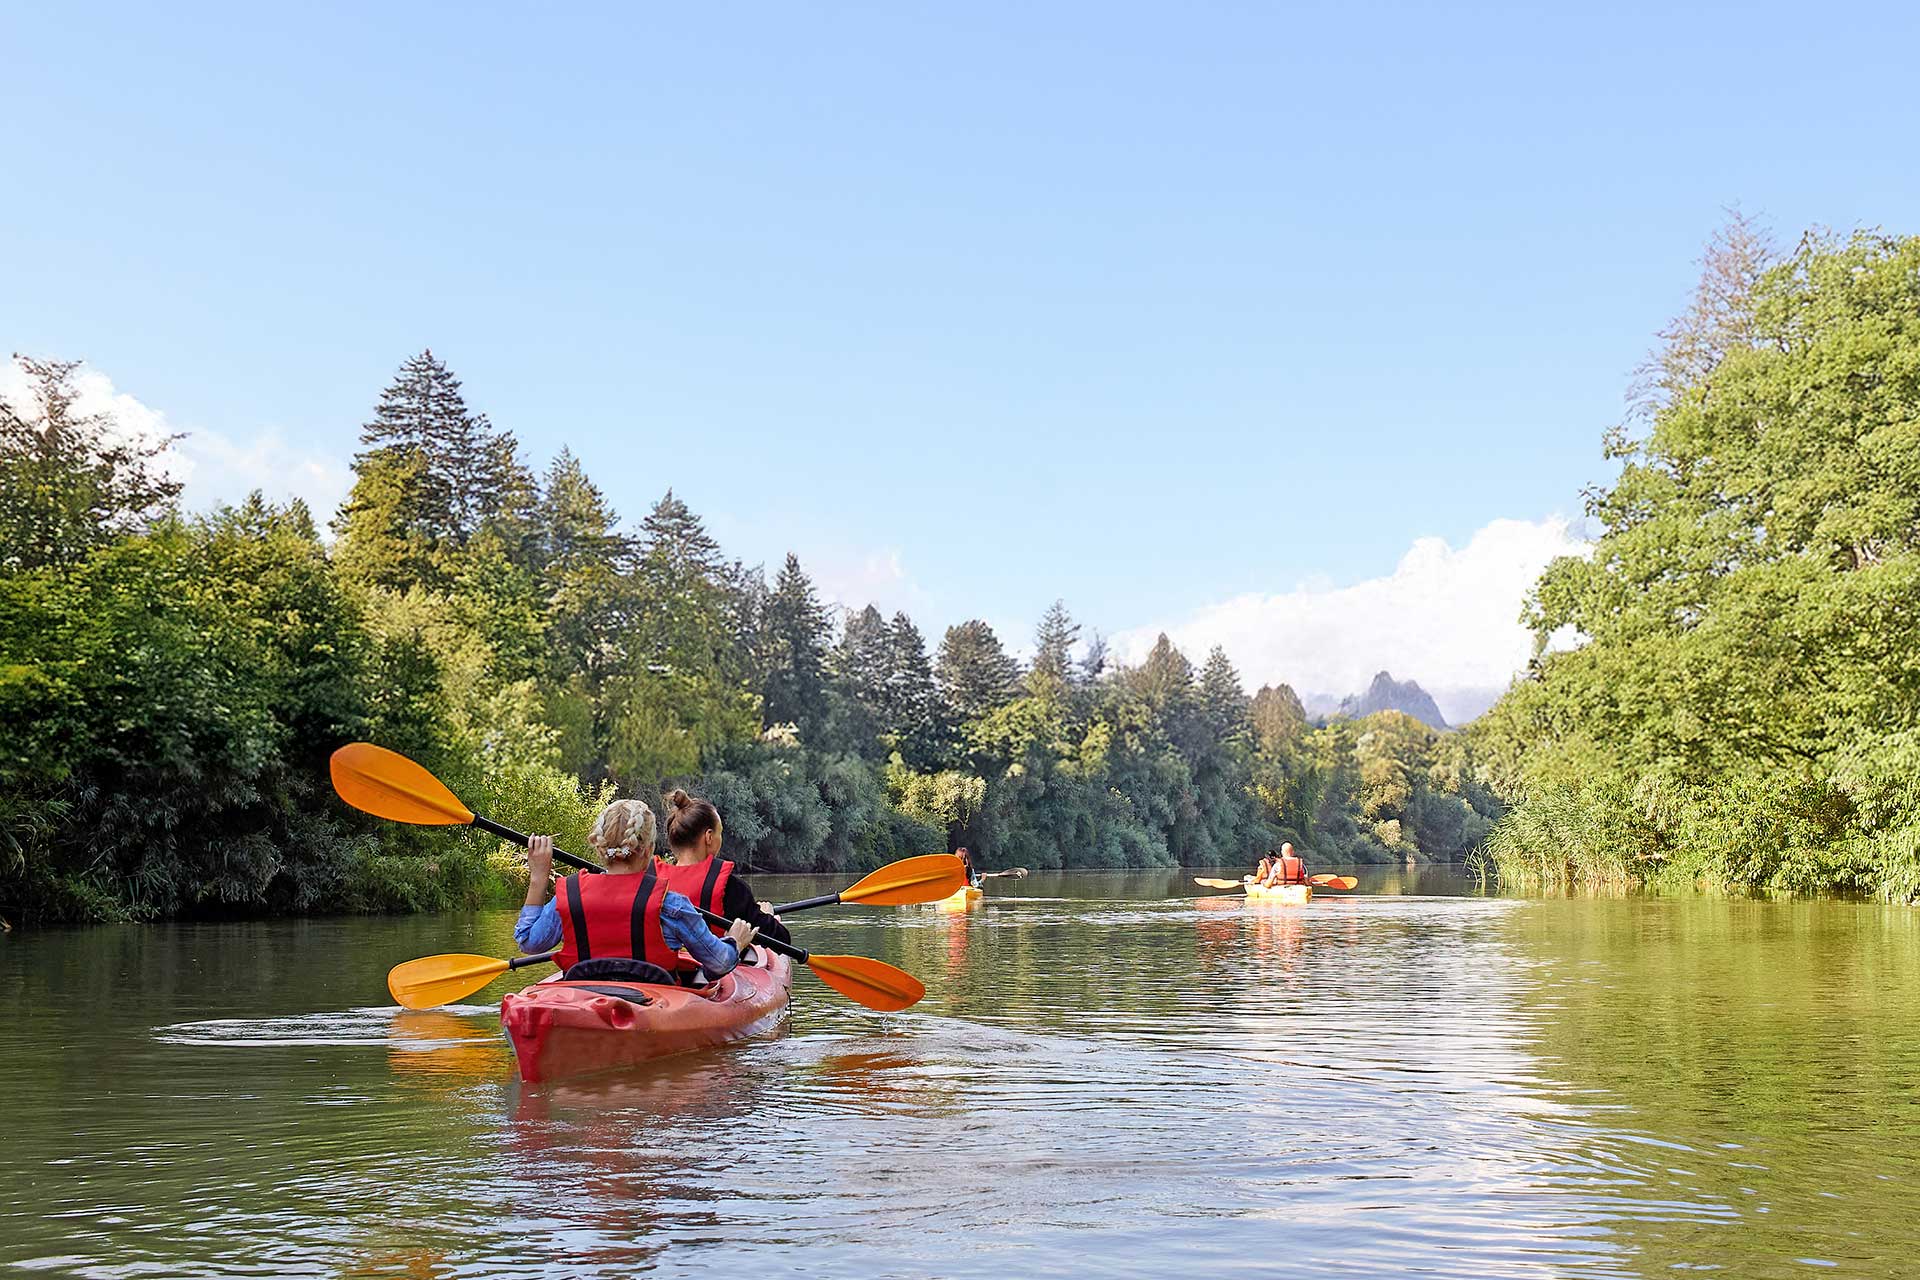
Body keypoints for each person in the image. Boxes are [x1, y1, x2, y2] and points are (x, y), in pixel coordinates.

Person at [514, 797, 756, 982]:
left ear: (599, 849)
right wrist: (735, 940)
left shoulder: (569, 897)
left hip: (582, 997)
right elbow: (719, 963)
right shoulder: (671, 904)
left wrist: (538, 877)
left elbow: (528, 942)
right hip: (653, 1008)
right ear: (649, 849)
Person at [658, 789, 791, 972]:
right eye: (720, 833)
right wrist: (769, 917)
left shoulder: (652, 882)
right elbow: (782, 941)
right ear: (709, 837)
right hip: (712, 977)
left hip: (662, 978)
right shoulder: (730, 887)